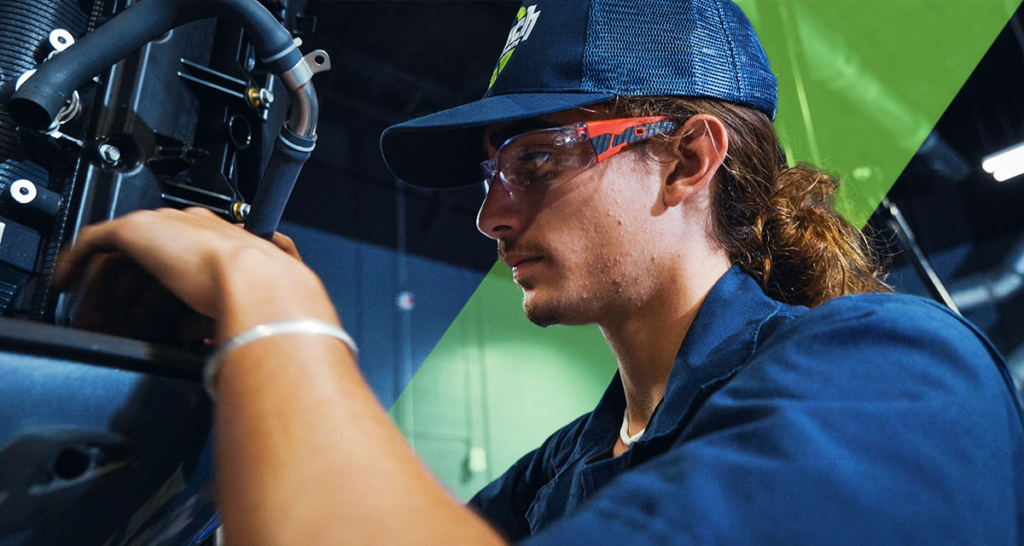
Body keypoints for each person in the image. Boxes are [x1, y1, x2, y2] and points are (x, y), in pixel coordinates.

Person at [53, 0, 1024, 544]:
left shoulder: (900, 378)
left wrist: (278, 317)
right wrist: (228, 396)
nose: (489, 211)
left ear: (690, 158)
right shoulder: (567, 466)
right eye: (490, 172)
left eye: (537, 161)